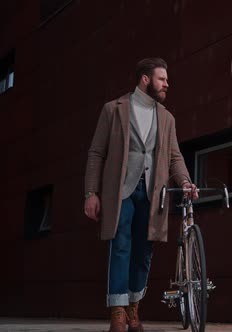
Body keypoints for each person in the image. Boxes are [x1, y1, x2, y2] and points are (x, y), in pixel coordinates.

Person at [84, 58, 198, 332]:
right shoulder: (114, 109)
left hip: (152, 192)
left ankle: (134, 306)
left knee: (144, 252)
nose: (166, 84)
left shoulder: (167, 118)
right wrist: (91, 192)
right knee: (120, 246)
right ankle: (118, 312)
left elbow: (174, 156)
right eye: (162, 78)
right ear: (145, 79)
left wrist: (184, 181)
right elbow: (97, 152)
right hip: (120, 191)